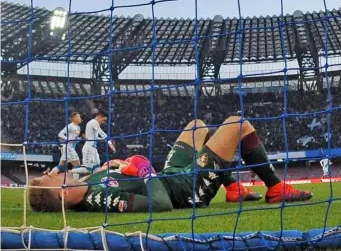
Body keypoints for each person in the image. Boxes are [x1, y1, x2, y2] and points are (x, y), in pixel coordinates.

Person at [29, 116, 312, 212]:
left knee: (197, 125)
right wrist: (143, 171)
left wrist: (114, 165)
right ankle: (275, 188)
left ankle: (234, 187)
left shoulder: (86, 185)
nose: (51, 172)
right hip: (186, 189)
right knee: (239, 124)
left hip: (171, 174)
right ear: (63, 192)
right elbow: (161, 204)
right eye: (52, 178)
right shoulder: (104, 199)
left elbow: (108, 173)